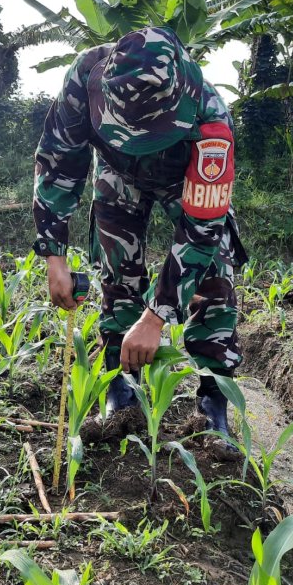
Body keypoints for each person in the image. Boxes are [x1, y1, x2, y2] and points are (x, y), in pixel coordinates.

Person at [31, 26, 247, 442]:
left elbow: (201, 229)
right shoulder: (85, 77)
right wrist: (53, 255)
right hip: (116, 172)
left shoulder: (211, 119)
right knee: (117, 268)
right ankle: (123, 390)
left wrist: (156, 316)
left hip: (179, 178)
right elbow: (58, 162)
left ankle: (212, 401)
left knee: (213, 273)